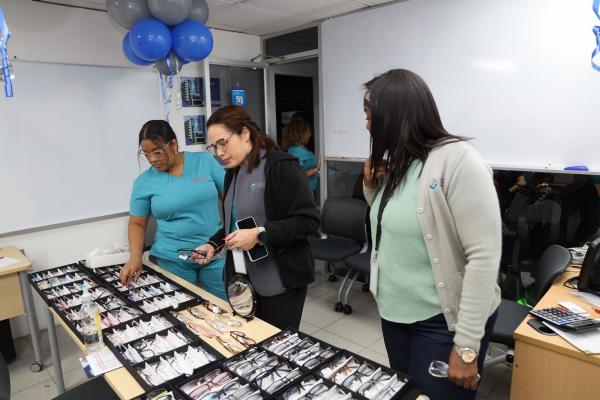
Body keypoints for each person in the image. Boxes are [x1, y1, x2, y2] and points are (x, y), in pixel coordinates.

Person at [361, 69, 501, 400]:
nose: (366, 125)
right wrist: (371, 187)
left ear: (392, 115)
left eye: (369, 115)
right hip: (395, 313)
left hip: (440, 322)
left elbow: (484, 256)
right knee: (408, 394)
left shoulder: (458, 160)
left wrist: (466, 346)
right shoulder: (402, 162)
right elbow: (395, 225)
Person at [193, 105, 319, 330]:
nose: (219, 153)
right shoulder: (232, 174)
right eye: (214, 147)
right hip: (242, 280)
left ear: (245, 133)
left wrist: (260, 234)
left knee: (275, 344)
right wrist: (213, 244)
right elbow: (235, 224)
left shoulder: (281, 166)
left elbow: (307, 222)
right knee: (249, 340)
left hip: (279, 281)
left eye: (223, 143)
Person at [119, 120, 227, 300]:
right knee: (181, 310)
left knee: (230, 306)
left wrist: (233, 236)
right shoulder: (143, 183)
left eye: (157, 152)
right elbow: (137, 223)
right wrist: (135, 257)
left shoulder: (205, 161)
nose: (152, 159)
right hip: (172, 259)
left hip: (214, 253)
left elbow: (232, 200)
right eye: (146, 154)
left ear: (173, 144)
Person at [281, 118, 320, 195]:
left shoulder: (297, 149)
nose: (310, 134)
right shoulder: (296, 151)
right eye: (308, 131)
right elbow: (298, 174)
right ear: (300, 133)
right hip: (303, 192)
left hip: (307, 190)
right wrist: (316, 169)